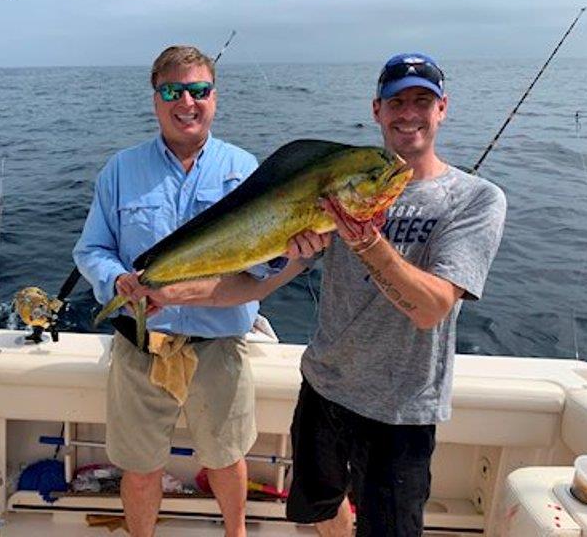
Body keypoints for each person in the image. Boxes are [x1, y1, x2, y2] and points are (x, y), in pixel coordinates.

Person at [139, 52, 507, 536]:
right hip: (323, 389)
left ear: (443, 108)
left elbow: (432, 308)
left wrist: (366, 240)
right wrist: (170, 292)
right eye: (397, 102)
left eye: (423, 101)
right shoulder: (340, 189)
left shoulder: (476, 199)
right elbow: (260, 282)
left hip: (400, 408)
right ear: (377, 110)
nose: (409, 113)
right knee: (318, 512)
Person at [73, 45, 281, 537]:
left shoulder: (244, 168)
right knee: (140, 466)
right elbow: (91, 250)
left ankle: (237, 534)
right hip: (144, 345)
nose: (186, 102)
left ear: (214, 98)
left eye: (199, 90)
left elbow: (266, 261)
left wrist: (287, 251)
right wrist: (115, 280)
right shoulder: (121, 171)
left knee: (227, 459)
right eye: (172, 91)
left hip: (220, 344)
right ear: (155, 100)